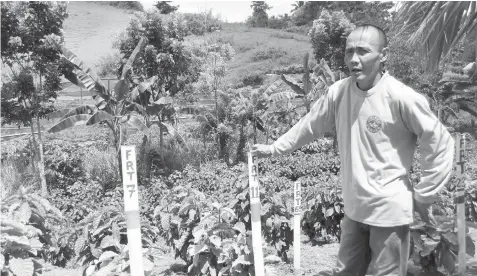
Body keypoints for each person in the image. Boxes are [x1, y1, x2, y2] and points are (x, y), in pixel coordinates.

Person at [251, 24, 455, 276]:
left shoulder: (401, 97)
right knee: (345, 271)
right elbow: (309, 126)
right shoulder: (338, 92)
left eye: (363, 51)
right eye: (349, 52)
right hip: (354, 208)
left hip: (389, 210)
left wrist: (424, 195)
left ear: (384, 55)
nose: (353, 59)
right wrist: (273, 149)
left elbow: (440, 141)